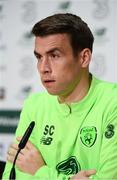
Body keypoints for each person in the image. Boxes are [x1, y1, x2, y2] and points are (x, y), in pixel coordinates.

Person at [3, 13, 117, 179]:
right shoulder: (34, 105)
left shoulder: (112, 102)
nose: (43, 68)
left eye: (54, 56)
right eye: (39, 57)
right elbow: (11, 176)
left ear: (84, 58)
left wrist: (40, 172)